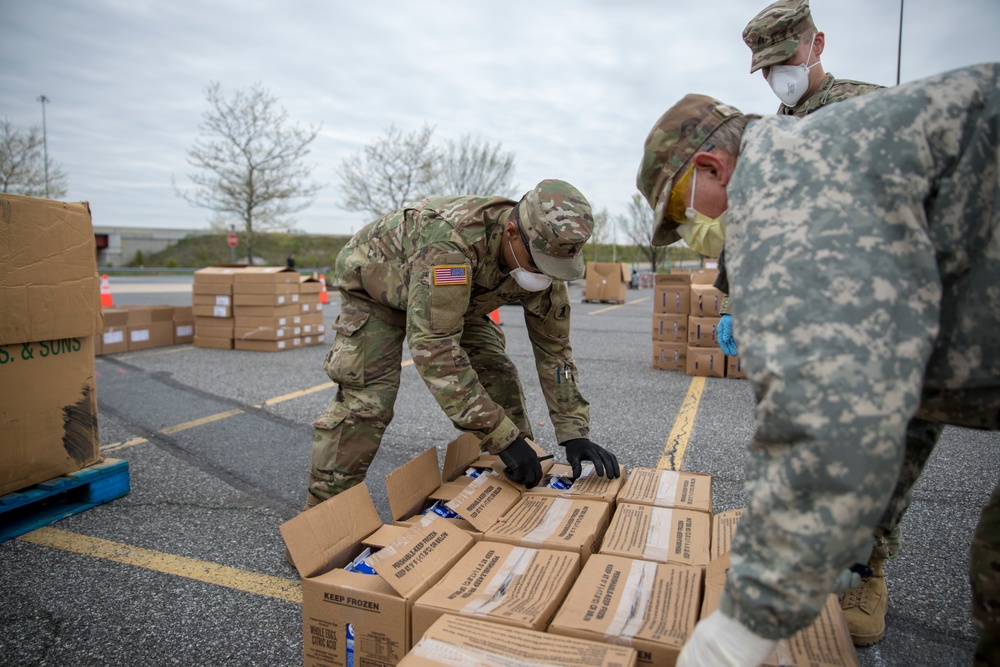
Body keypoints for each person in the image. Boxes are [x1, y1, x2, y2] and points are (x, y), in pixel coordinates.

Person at [636, 64, 1000, 666]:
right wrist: (857, 536)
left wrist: (744, 626)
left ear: (711, 167)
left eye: (680, 214)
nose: (688, 232)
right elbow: (904, 387)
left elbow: (826, 411)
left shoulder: (786, 186)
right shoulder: (818, 160)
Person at [720, 0, 938, 647]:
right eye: (765, 69)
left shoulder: (873, 109)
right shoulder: (766, 134)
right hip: (807, 318)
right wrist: (733, 296)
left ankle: (867, 565)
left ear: (817, 45)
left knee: (890, 445)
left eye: (785, 60)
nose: (777, 77)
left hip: (886, 315)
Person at [304, 179, 620, 513]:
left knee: (497, 374)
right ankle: (322, 519)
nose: (544, 277)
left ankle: (504, 493)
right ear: (512, 232)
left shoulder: (546, 262)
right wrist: (503, 437)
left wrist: (574, 432)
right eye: (538, 263)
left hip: (457, 300)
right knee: (369, 402)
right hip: (378, 288)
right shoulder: (450, 246)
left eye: (554, 269)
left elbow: (555, 351)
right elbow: (435, 348)